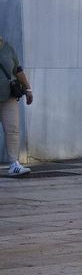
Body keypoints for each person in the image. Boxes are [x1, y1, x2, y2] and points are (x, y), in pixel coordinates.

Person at [0, 33, 32, 177]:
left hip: (9, 95)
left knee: (12, 129)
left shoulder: (8, 47)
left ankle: (14, 164)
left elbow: (18, 70)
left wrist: (28, 89)